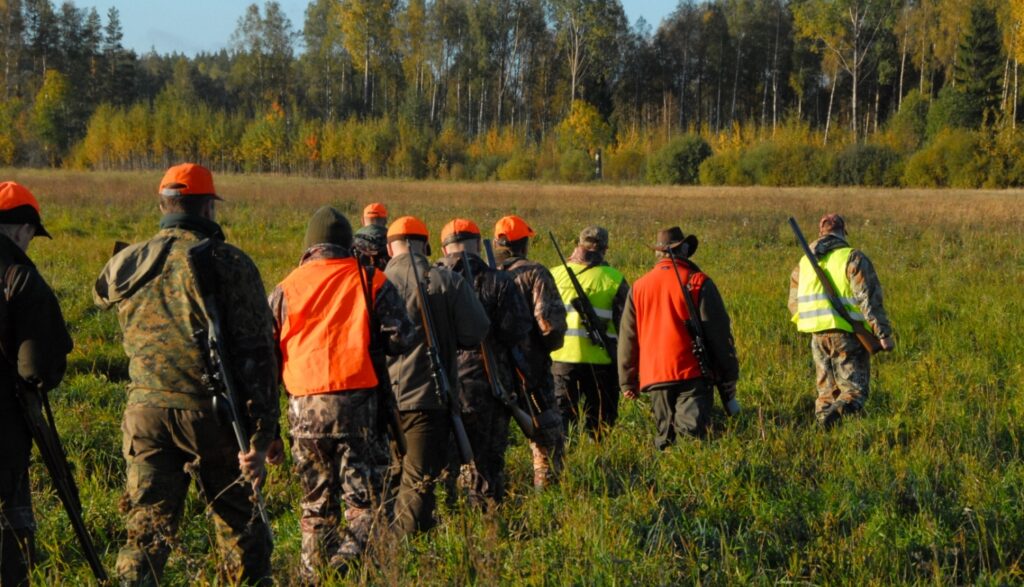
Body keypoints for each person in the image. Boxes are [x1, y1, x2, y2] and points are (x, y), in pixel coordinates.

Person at [94, 163, 280, 585]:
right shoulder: (227, 262)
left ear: (164, 205)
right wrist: (262, 434)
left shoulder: (129, 262)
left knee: (144, 535)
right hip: (211, 417)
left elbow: (100, 293)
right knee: (241, 530)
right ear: (208, 208)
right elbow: (258, 355)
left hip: (146, 416)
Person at [268, 207, 414, 580]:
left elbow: (265, 356)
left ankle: (312, 576)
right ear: (348, 243)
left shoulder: (284, 289)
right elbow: (402, 339)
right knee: (367, 501)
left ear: (308, 247)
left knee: (316, 506)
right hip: (358, 408)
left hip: (303, 410)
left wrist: (266, 429)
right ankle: (349, 560)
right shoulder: (372, 280)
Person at [384, 216, 489, 535]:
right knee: (419, 481)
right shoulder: (445, 281)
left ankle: (383, 539)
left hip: (380, 398)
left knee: (389, 476)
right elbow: (476, 332)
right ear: (427, 245)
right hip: (427, 398)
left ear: (390, 248)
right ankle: (405, 551)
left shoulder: (373, 281)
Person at [0, 182, 73, 587]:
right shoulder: (19, 277)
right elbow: (36, 371)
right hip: (4, 437)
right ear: (22, 229)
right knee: (10, 538)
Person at [435, 218, 531, 507]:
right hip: (490, 386)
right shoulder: (498, 281)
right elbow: (517, 331)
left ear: (443, 247)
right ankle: (490, 527)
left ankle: (447, 525)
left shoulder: (432, 280)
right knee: (488, 469)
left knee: (443, 469)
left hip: (442, 386)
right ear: (478, 244)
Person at [618, 227, 739, 449]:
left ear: (658, 252)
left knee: (665, 438)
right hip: (691, 372)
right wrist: (729, 373)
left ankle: (664, 479)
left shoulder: (638, 287)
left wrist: (627, 379)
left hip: (654, 376)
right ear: (683, 249)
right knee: (692, 439)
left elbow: (628, 337)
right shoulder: (698, 282)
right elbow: (719, 333)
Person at [788, 213, 894, 428]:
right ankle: (837, 415)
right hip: (847, 334)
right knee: (854, 391)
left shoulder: (803, 263)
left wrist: (814, 322)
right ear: (844, 232)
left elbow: (793, 303)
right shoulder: (852, 257)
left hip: (816, 335)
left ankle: (825, 433)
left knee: (826, 393)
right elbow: (868, 299)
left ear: (821, 233)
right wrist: (883, 334)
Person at [492, 215, 566, 488]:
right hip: (531, 370)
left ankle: (489, 503)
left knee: (489, 445)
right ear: (523, 244)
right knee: (547, 439)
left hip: (491, 372)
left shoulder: (484, 272)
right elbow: (550, 326)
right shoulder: (535, 273)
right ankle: (547, 497)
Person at [549, 226, 629, 438]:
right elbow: (627, 326)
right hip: (601, 361)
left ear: (578, 244)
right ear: (606, 248)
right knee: (601, 423)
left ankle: (563, 464)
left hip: (561, 359)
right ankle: (598, 460)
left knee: (563, 421)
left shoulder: (554, 274)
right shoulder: (614, 278)